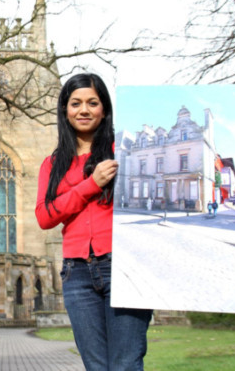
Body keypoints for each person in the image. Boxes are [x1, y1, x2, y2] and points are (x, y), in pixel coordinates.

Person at [35, 73, 153, 370]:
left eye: (92, 102)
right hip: (77, 273)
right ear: (65, 109)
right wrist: (90, 184)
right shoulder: (53, 164)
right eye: (76, 103)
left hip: (124, 265)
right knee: (96, 366)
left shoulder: (123, 152)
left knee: (125, 363)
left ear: (104, 109)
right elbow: (44, 216)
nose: (84, 110)